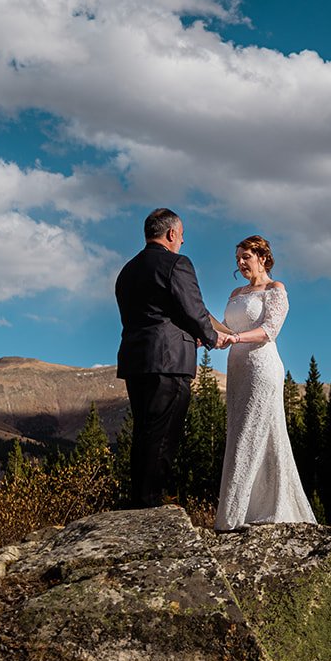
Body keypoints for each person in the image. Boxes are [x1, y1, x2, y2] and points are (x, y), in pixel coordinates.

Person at [115, 208, 232, 508]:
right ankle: (150, 505)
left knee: (144, 433)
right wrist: (212, 336)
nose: (182, 241)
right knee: (164, 436)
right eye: (181, 236)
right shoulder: (176, 263)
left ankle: (139, 500)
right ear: (170, 234)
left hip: (135, 362)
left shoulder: (127, 271)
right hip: (169, 362)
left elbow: (156, 312)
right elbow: (193, 308)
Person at [215, 234, 317, 531]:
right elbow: (228, 330)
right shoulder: (236, 293)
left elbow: (269, 330)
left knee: (254, 432)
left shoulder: (275, 289)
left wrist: (235, 337)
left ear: (262, 257)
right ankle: (242, 511)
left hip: (262, 367)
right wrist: (212, 328)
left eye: (246, 257)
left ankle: (242, 516)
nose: (241, 263)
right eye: (238, 259)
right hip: (237, 368)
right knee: (239, 432)